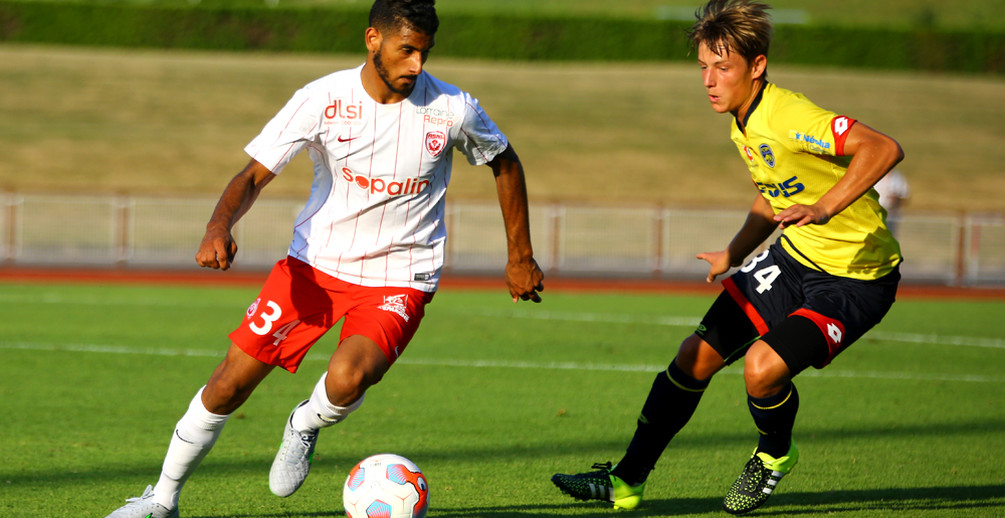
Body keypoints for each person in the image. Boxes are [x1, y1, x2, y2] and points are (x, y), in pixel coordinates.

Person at [105, 1, 545, 516]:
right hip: (313, 268)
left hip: (401, 276)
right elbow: (252, 175)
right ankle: (161, 501)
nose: (416, 65)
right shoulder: (322, 99)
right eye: (406, 50)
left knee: (347, 379)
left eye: (425, 53)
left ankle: (305, 423)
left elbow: (505, 161)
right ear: (373, 39)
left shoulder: (453, 109)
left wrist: (520, 256)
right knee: (227, 386)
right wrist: (218, 226)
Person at [551, 0, 903, 514]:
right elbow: (774, 191)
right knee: (692, 357)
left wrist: (825, 207)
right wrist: (734, 252)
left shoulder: (787, 115)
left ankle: (775, 453)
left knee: (761, 369)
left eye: (722, 67)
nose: (709, 81)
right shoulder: (743, 121)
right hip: (793, 259)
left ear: (757, 66)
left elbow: (883, 148)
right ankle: (625, 481)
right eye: (703, 67)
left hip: (856, 278)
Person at [873, 168, 910, 234]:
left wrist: (896, 200)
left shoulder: (898, 177)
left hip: (892, 217)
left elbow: (906, 197)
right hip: (875, 217)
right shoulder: (874, 175)